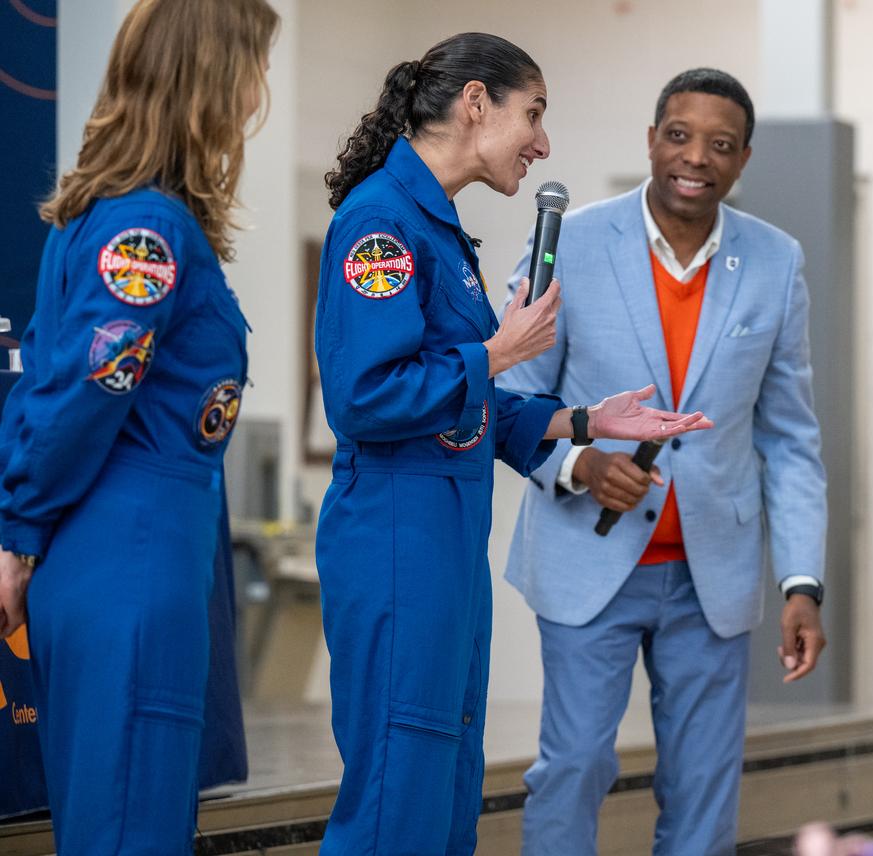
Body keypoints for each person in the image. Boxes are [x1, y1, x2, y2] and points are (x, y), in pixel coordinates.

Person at [313, 33, 712, 855]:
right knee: (398, 790)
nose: (542, 142)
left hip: (443, 536)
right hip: (397, 533)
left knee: (444, 785)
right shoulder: (383, 222)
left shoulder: (439, 226)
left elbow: (469, 403)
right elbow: (364, 397)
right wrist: (496, 351)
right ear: (474, 104)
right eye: (532, 114)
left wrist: (589, 421)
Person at [500, 68, 829, 855]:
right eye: (679, 137)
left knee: (704, 788)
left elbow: (789, 437)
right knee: (574, 765)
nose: (695, 158)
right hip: (588, 555)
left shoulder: (777, 262)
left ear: (742, 159)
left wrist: (801, 581)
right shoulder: (570, 243)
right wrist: (578, 464)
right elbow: (512, 397)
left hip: (710, 574)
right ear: (651, 141)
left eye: (720, 145)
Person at [0, 0, 279, 850]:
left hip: (119, 556)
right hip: (132, 558)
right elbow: (81, 395)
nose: (259, 92)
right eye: (252, 68)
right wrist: (16, 533)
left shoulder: (114, 212)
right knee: (130, 832)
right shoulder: (147, 226)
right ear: (212, 80)